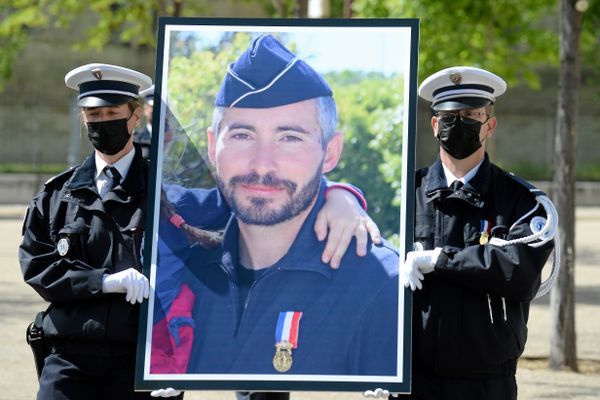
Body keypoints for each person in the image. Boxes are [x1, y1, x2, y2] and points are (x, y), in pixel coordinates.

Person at [19, 62, 379, 400]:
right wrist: (102, 281)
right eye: (93, 115)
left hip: (140, 359)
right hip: (70, 354)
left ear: (134, 116)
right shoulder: (56, 195)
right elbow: (37, 268)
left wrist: (339, 194)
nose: (102, 123)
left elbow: (261, 197)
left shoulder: (170, 192)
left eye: (112, 114)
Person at [153, 34, 399, 380]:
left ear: (330, 152)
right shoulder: (186, 265)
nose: (262, 165)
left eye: (289, 138)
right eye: (242, 135)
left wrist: (342, 194)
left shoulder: (381, 285)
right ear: (212, 146)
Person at [368, 66, 556, 400]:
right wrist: (375, 364)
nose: (459, 123)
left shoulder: (521, 202)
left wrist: (442, 260)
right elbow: (371, 275)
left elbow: (519, 272)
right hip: (413, 381)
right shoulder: (402, 196)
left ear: (489, 125)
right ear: (435, 125)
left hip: (486, 382)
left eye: (471, 115)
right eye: (449, 116)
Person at [133, 84, 154, 160]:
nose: (154, 110)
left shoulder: (171, 137)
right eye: (152, 106)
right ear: (145, 109)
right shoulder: (136, 138)